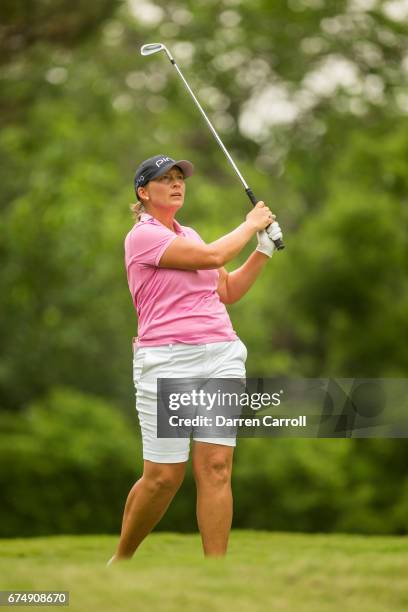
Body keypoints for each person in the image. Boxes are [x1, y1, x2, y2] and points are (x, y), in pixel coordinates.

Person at [108, 154, 282, 564]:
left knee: (217, 466)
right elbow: (211, 259)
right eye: (164, 179)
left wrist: (263, 249)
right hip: (166, 362)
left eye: (179, 178)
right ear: (143, 192)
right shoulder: (142, 237)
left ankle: (214, 575)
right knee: (164, 477)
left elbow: (228, 290)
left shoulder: (191, 234)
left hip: (221, 355)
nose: (176, 184)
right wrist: (250, 223)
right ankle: (122, 560)